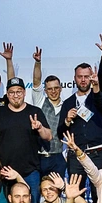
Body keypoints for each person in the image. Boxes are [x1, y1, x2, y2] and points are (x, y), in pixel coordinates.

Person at [58, 37, 102, 197]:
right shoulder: (68, 102)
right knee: (76, 196)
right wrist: (67, 120)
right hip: (75, 155)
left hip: (97, 154)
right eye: (80, 76)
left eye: (86, 76)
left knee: (99, 194)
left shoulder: (98, 96)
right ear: (74, 78)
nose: (83, 80)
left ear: (91, 78)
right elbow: (60, 133)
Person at [0, 77, 52, 203]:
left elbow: (48, 136)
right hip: (5, 172)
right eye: (12, 92)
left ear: (24, 92)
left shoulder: (35, 111)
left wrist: (39, 128)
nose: (15, 95)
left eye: (19, 91)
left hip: (30, 172)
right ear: (7, 94)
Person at [31, 47, 67, 177]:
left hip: (58, 157)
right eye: (50, 89)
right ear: (45, 91)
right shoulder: (40, 101)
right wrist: (38, 62)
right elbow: (36, 82)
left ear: (61, 88)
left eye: (56, 88)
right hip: (40, 157)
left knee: (58, 188)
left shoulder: (67, 106)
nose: (53, 91)